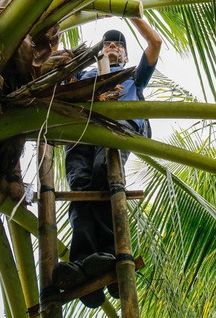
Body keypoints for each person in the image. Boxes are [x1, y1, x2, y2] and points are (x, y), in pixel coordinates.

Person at [52, 16, 162, 308]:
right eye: (108, 43)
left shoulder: (132, 76)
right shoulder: (83, 73)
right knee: (79, 188)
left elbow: (155, 44)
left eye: (119, 45)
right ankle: (83, 262)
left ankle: (108, 254)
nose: (113, 46)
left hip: (116, 128)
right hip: (78, 132)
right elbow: (54, 70)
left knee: (105, 173)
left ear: (125, 54)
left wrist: (133, 14)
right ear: (100, 51)